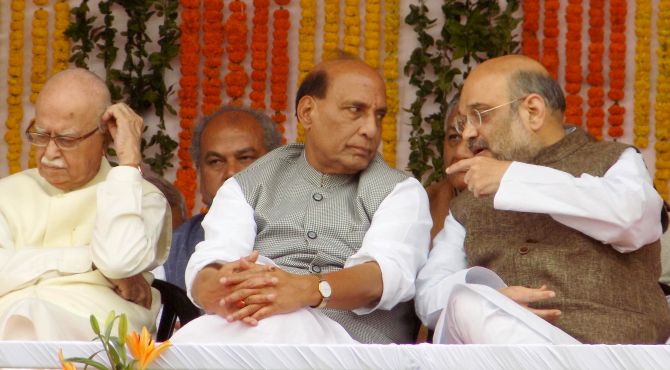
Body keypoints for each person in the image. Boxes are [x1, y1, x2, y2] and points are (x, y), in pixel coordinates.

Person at [172, 56, 432, 344]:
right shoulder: (245, 185)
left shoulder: (400, 191)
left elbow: (385, 276)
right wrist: (220, 285)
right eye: (355, 111)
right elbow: (214, 261)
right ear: (308, 111)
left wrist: (308, 290)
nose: (370, 129)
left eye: (378, 115)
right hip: (258, 329)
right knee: (186, 344)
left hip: (355, 349)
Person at [415, 55, 670, 344]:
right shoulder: (469, 202)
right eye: (464, 121)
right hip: (512, 345)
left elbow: (634, 219)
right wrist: (492, 297)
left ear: (533, 111)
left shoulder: (615, 160)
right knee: (466, 304)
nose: (470, 133)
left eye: (481, 115)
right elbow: (428, 295)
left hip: (611, 353)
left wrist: (512, 178)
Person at [0, 68, 171, 340]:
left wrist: (128, 165)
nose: (50, 153)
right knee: (25, 312)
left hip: (98, 333)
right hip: (9, 332)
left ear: (104, 138)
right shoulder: (6, 193)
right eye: (41, 136)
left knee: (30, 311)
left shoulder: (143, 197)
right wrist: (89, 261)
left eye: (67, 140)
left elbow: (117, 261)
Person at [163, 106, 281, 290]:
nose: (231, 173)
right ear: (199, 172)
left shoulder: (309, 232)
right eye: (215, 161)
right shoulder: (171, 251)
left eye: (245, 158)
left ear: (277, 165)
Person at [425, 94, 474, 238]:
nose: (460, 152)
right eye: (454, 137)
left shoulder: (519, 204)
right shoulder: (425, 203)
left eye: (474, 138)